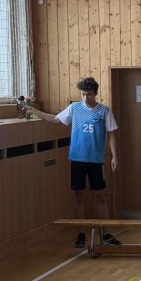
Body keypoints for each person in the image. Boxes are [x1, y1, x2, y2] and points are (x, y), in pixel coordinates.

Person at [27, 78, 120, 248]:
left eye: (89, 94)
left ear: (95, 94)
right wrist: (34, 110)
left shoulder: (104, 111)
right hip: (77, 159)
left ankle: (105, 233)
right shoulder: (74, 108)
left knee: (100, 196)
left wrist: (114, 156)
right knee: (79, 196)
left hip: (97, 160)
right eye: (83, 94)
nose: (85, 98)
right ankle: (80, 233)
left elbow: (111, 134)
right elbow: (55, 119)